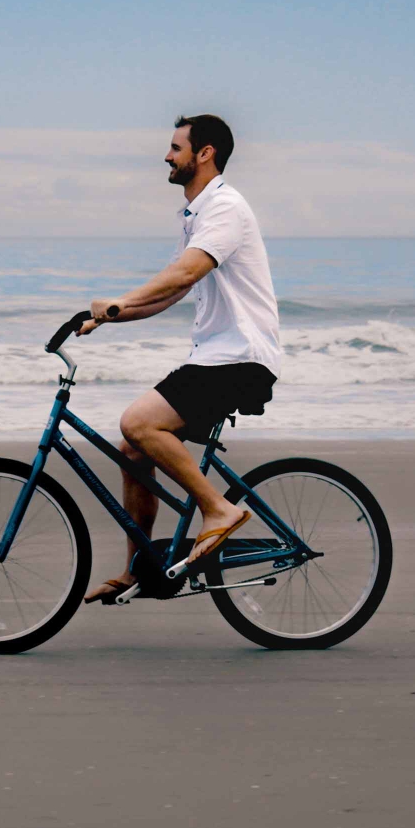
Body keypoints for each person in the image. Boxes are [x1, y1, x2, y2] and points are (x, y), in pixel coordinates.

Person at [78, 115, 282, 604]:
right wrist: (111, 316)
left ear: (205, 153)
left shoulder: (226, 207)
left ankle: (219, 509)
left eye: (175, 147)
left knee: (139, 422)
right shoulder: (196, 214)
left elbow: (187, 270)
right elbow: (173, 290)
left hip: (240, 358)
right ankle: (139, 567)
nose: (167, 156)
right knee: (133, 451)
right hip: (215, 356)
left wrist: (119, 299)